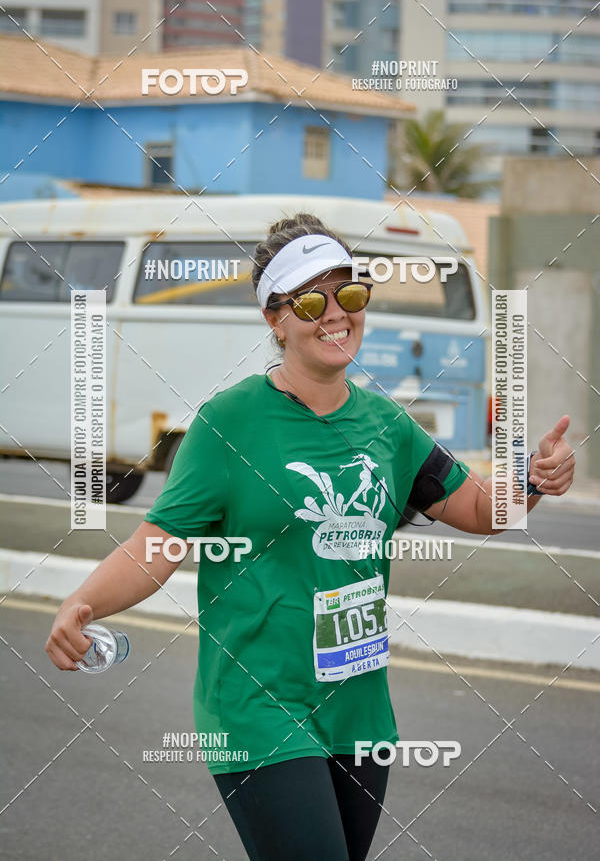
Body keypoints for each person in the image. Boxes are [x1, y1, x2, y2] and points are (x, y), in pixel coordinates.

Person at [46, 213, 575, 861]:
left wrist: (533, 479)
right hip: (258, 707)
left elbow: (479, 507)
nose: (336, 314)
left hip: (359, 711)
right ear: (275, 318)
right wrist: (85, 601)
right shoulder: (228, 424)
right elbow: (157, 545)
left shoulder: (389, 426)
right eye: (310, 301)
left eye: (348, 294)